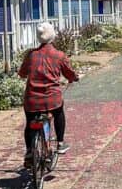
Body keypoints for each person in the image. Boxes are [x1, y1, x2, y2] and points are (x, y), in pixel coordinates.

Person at [18, 21, 78, 164]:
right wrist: (74, 78)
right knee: (59, 113)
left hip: (32, 99)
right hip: (52, 99)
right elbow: (69, 73)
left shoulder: (31, 55)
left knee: (29, 122)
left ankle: (29, 151)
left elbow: (22, 73)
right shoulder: (59, 55)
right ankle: (60, 143)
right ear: (52, 36)